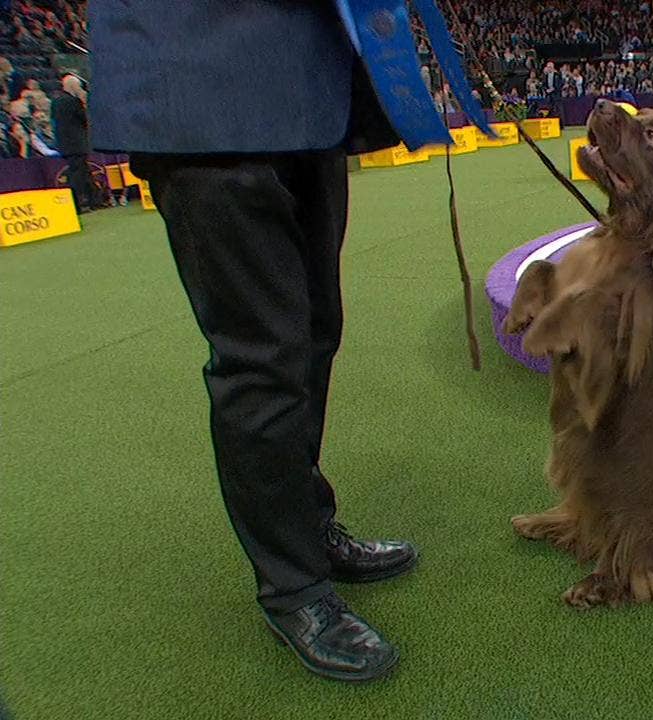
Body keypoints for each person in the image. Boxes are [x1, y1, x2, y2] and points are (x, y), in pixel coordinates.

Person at [89, 0, 419, 683]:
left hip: (307, 85)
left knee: (314, 333)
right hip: (202, 82)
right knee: (260, 357)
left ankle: (305, 525)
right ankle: (292, 588)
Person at [51, 74, 91, 211]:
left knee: (76, 171)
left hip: (64, 144)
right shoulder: (74, 101)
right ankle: (81, 202)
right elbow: (84, 119)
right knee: (79, 173)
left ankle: (88, 199)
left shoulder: (55, 102)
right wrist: (83, 100)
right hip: (77, 143)